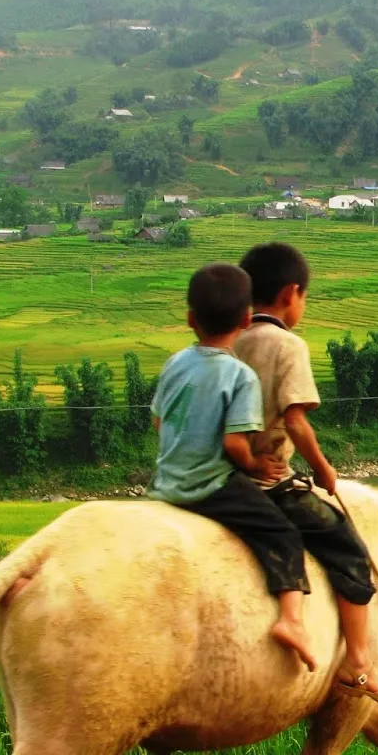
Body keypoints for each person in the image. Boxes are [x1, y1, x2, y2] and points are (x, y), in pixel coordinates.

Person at [235, 241, 378, 711]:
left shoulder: (230, 339)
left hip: (222, 476)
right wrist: (323, 469)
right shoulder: (286, 344)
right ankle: (359, 662)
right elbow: (295, 421)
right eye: (304, 298)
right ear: (292, 293)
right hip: (268, 482)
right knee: (348, 547)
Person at [149, 262, 319, 673]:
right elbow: (233, 444)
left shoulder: (175, 362)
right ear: (246, 320)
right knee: (282, 533)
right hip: (212, 486)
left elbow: (158, 420)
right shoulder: (239, 375)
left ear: (190, 319)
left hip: (164, 482)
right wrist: (255, 464)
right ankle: (293, 621)